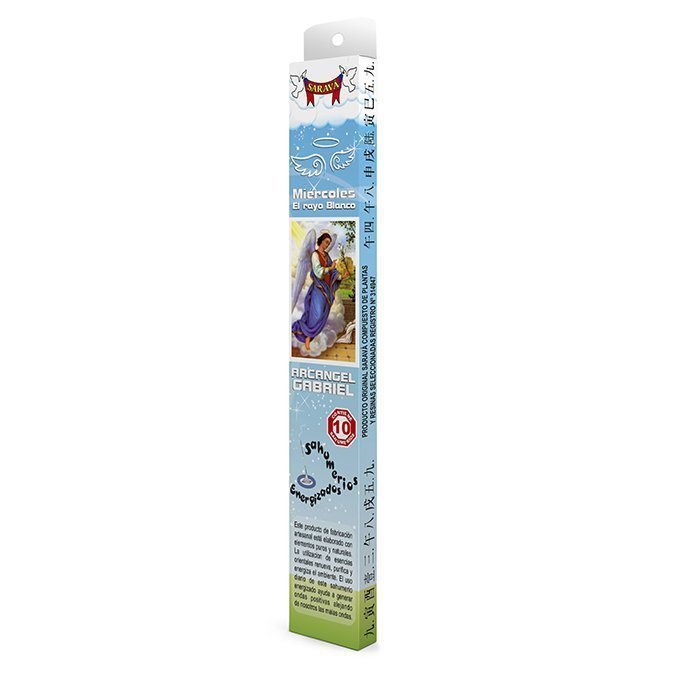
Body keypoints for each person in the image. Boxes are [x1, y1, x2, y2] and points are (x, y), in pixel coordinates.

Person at [292, 233, 347, 351]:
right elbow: (318, 272)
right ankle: (306, 336)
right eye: (326, 242)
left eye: (329, 243)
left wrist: (341, 276)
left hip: (326, 289)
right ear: (321, 241)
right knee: (316, 315)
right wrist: (330, 268)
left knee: (322, 315)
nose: (327, 245)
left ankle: (309, 337)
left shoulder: (326, 255)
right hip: (318, 288)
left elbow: (333, 273)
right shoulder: (314, 255)